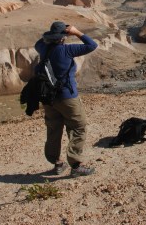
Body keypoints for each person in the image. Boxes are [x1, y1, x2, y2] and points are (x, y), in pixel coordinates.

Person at [35, 21, 98, 177]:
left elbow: (38, 42)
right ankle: (76, 165)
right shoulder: (67, 50)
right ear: (64, 37)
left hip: (48, 98)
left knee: (54, 128)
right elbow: (92, 45)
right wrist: (76, 32)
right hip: (67, 97)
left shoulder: (43, 48)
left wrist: (51, 34)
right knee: (78, 126)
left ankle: (57, 163)